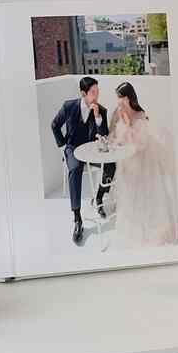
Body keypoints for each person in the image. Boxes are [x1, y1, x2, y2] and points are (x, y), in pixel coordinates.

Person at [111, 81, 178, 247]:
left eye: (120, 98)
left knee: (141, 196)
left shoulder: (140, 116)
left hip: (141, 161)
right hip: (127, 160)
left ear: (127, 99)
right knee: (128, 193)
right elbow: (120, 136)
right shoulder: (121, 113)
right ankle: (132, 223)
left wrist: (127, 124)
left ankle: (146, 228)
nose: (118, 102)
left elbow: (140, 144)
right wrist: (116, 140)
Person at [51, 77, 112, 244]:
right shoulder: (69, 106)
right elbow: (55, 125)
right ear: (83, 93)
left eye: (97, 92)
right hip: (73, 149)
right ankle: (77, 218)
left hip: (92, 150)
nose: (97, 95)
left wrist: (97, 116)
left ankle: (99, 198)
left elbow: (104, 134)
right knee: (75, 169)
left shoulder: (102, 110)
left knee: (111, 165)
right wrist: (64, 144)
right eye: (93, 92)